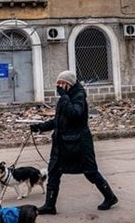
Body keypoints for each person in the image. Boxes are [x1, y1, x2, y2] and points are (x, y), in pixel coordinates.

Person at [30, 70, 118, 214]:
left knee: (90, 171)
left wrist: (64, 97)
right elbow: (59, 120)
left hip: (79, 143)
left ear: (68, 83)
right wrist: (40, 127)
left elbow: (75, 114)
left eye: (60, 83)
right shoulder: (66, 97)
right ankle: (49, 205)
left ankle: (110, 197)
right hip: (62, 142)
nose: (58, 86)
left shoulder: (79, 96)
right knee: (53, 171)